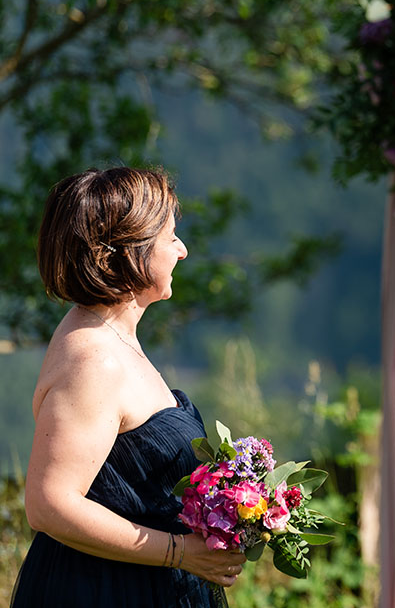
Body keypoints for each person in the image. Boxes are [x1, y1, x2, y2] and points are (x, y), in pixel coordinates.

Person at [12, 167, 246, 607]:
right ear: (127, 251)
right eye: (170, 237)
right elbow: (48, 504)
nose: (182, 250)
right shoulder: (92, 360)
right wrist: (179, 553)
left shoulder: (110, 335)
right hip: (104, 591)